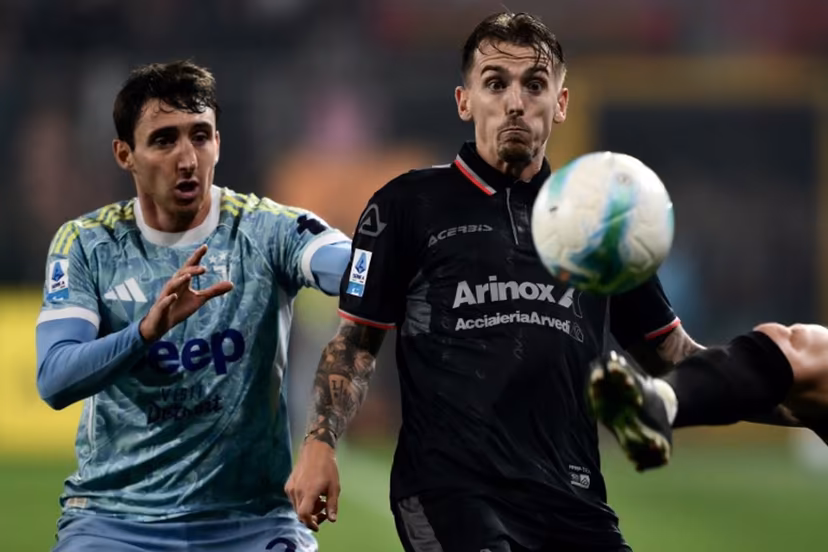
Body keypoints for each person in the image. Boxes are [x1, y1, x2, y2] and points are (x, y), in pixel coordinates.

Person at [285, 11, 828, 551]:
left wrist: (797, 408)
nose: (515, 101)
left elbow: (675, 360)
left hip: (574, 498)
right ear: (464, 101)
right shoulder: (406, 206)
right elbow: (356, 343)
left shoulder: (601, 220)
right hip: (452, 492)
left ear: (561, 103)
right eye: (495, 83)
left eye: (535, 84)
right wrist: (319, 442)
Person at [35, 60, 351, 552]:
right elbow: (54, 379)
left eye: (200, 136)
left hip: (251, 520)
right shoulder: (88, 244)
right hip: (115, 518)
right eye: (164, 140)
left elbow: (350, 267)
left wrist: (380, 265)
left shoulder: (266, 231)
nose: (187, 158)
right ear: (125, 155)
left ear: (218, 143)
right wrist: (144, 332)